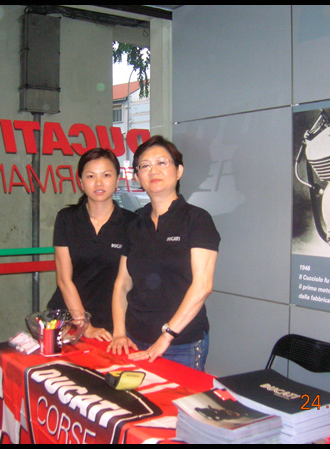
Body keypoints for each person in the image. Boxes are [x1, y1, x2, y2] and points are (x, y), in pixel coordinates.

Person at [107, 136, 220, 371]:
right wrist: (119, 333)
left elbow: (202, 286)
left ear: (179, 171)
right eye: (145, 165)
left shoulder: (197, 220)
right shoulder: (135, 223)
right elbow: (122, 284)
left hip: (181, 344)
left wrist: (166, 336)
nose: (153, 170)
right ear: (137, 177)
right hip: (133, 339)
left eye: (162, 162)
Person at [47, 148, 136, 341]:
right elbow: (64, 280)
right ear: (81, 182)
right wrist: (85, 326)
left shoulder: (132, 223)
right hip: (68, 321)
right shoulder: (67, 219)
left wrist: (119, 330)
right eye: (90, 176)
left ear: (117, 180)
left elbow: (127, 283)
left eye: (106, 175)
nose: (99, 183)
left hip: (113, 324)